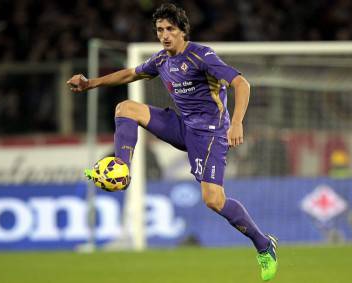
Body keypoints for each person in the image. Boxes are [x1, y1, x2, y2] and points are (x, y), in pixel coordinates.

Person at [67, 3, 278, 281]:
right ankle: (121, 166)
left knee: (213, 200)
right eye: (159, 30)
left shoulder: (201, 55)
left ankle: (264, 245)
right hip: (184, 128)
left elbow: (242, 83)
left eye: (170, 29)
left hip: (211, 134)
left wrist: (237, 122)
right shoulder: (161, 60)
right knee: (126, 108)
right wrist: (90, 83)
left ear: (182, 31)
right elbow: (130, 73)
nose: (164, 35)